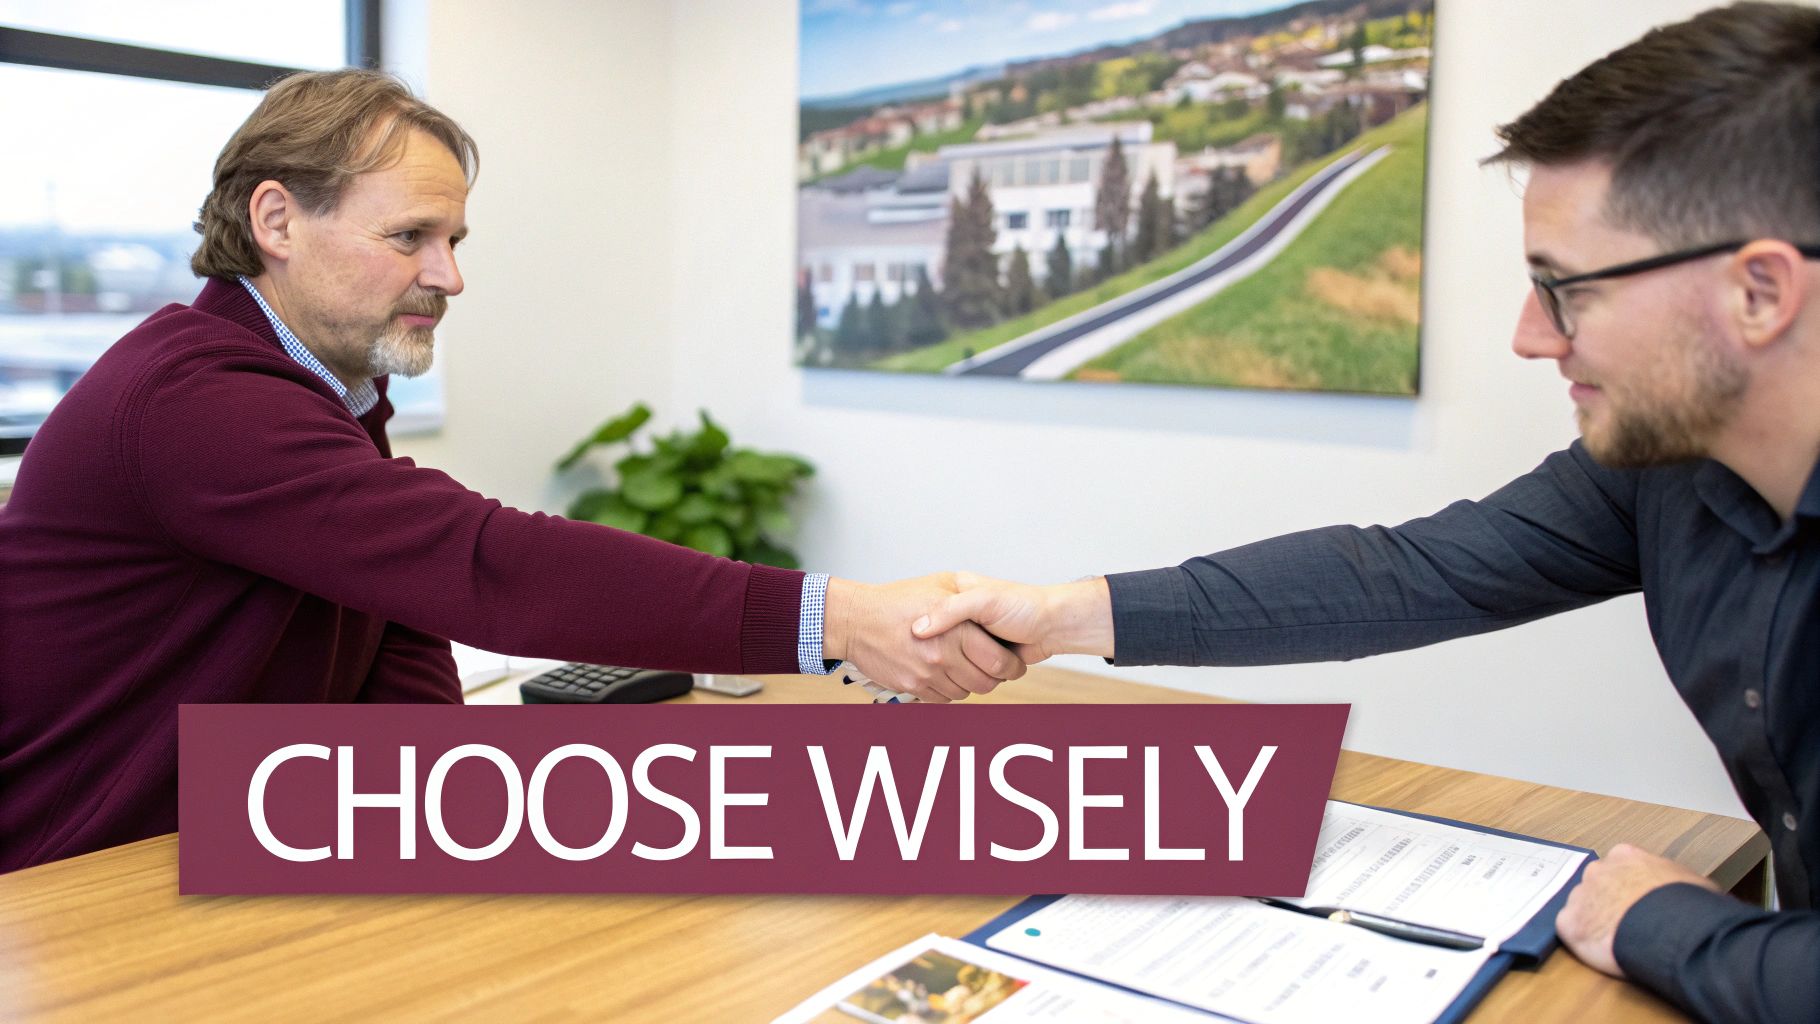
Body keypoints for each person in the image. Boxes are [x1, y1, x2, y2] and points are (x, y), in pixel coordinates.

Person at [910, 4, 1818, 1021]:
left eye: (1565, 291)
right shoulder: (1669, 470)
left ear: (1757, 292)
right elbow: (1401, 572)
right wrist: (1064, 614)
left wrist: (1662, 923)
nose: (1530, 339)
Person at [0, 70, 1021, 875]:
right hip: (77, 882)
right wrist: (839, 619)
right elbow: (486, 564)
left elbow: (392, 626)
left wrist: (463, 814)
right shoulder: (195, 399)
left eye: (452, 238)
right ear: (275, 222)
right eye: (410, 237)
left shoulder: (320, 390)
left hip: (215, 846)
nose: (449, 275)